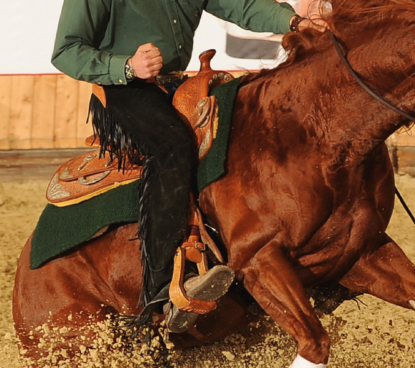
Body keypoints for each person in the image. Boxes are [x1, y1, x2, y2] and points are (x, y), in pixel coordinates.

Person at [51, 0, 325, 331]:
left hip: (176, 84)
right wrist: (127, 66)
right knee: (173, 147)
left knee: (242, 132)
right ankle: (160, 290)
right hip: (123, 88)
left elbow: (242, 5)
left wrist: (295, 22)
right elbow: (66, 50)